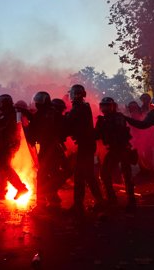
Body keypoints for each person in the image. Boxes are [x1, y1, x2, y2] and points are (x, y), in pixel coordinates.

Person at [17, 92, 68, 209]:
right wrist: (29, 115)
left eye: (39, 102)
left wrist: (27, 124)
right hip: (52, 147)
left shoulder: (46, 114)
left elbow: (37, 131)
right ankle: (53, 200)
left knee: (43, 176)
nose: (37, 104)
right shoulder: (50, 113)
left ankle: (42, 202)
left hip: (50, 148)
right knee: (51, 173)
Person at [65, 84, 105, 214]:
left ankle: (80, 205)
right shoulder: (84, 107)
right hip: (86, 144)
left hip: (85, 145)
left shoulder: (80, 108)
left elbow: (69, 120)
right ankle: (97, 201)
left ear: (75, 95)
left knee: (81, 176)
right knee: (87, 175)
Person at [96, 97, 137, 212]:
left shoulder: (118, 117)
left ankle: (131, 200)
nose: (105, 108)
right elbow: (98, 135)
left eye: (108, 105)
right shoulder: (103, 119)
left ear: (113, 106)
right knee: (104, 174)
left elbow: (119, 132)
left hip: (122, 148)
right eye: (103, 105)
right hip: (114, 149)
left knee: (126, 174)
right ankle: (112, 198)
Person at [0, 94, 28, 200]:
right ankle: (3, 190)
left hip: (9, 143)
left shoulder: (10, 114)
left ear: (5, 103)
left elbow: (1, 125)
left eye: (0, 103)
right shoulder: (8, 113)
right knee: (3, 166)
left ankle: (20, 187)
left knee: (5, 166)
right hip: (7, 142)